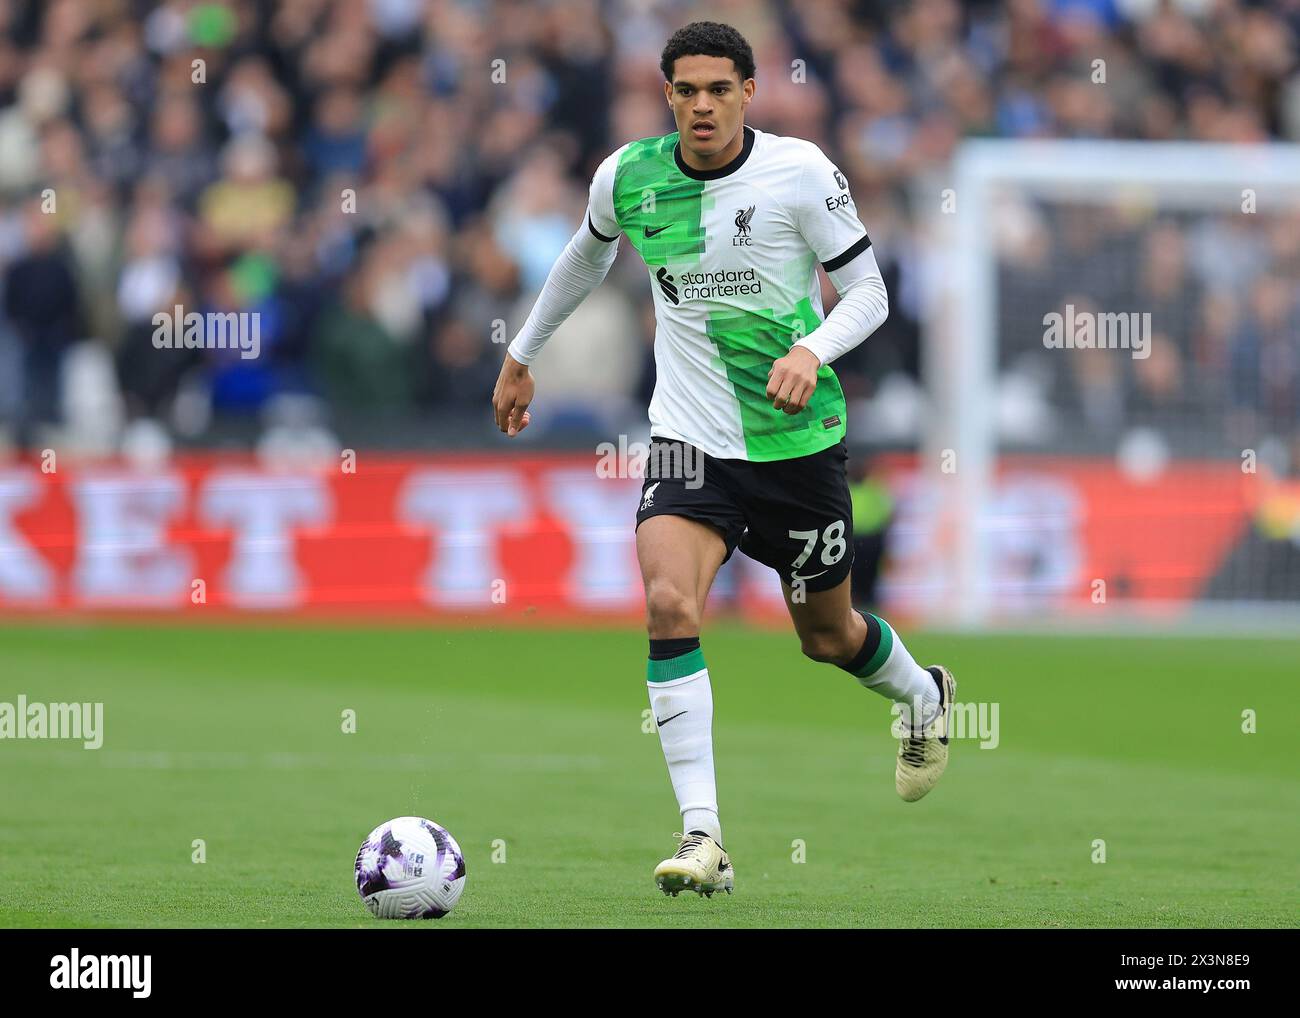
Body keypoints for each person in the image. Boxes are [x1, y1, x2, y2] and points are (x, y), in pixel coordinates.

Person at [491, 21, 955, 899]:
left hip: (796, 445)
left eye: (718, 89)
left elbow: (871, 291)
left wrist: (812, 350)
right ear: (666, 95)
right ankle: (704, 834)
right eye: (685, 90)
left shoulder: (801, 174)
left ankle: (924, 694)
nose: (701, 104)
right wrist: (523, 355)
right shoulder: (627, 177)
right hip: (689, 440)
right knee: (669, 601)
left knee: (828, 637)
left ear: (748, 91)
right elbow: (583, 259)